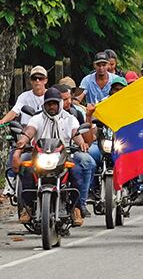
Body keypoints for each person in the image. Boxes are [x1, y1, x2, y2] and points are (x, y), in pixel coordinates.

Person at [12, 87, 92, 226]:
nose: (52, 106)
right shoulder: (37, 118)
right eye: (49, 104)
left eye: (54, 103)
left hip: (63, 156)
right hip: (40, 156)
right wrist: (23, 141)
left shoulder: (69, 119)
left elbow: (75, 133)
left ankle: (76, 208)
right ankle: (27, 207)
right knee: (27, 170)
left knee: (77, 171)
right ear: (44, 104)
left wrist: (81, 143)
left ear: (59, 103)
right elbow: (29, 131)